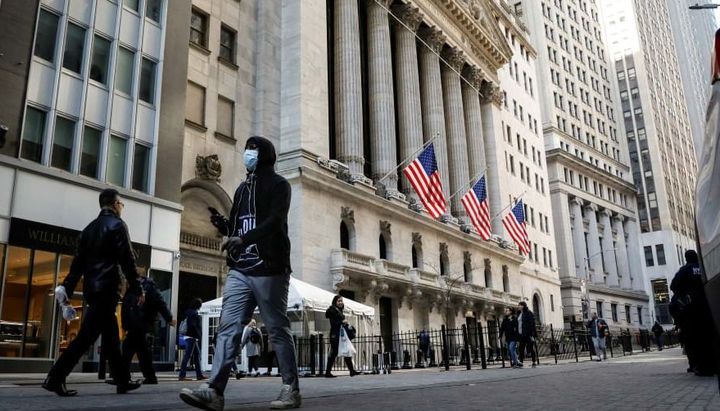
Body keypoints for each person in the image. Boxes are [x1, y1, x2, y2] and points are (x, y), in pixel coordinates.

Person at [180, 136, 300, 410]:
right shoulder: (242, 189)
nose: (248, 154)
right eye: (247, 149)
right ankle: (214, 390)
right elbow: (237, 227)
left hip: (269, 268)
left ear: (265, 154)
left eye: (253, 150)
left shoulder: (279, 185)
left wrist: (244, 239)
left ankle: (290, 388)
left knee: (277, 328)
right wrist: (225, 226)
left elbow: (275, 222)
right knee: (228, 327)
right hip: (240, 269)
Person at [43, 189, 144, 396]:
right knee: (86, 337)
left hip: (92, 290)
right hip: (107, 288)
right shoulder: (117, 225)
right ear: (115, 204)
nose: (122, 207)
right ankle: (55, 377)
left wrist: (67, 288)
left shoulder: (88, 229)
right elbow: (128, 260)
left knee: (111, 337)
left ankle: (122, 380)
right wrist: (137, 288)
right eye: (121, 203)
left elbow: (77, 266)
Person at [121, 268, 176, 384]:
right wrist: (125, 325)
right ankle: (149, 377)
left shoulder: (148, 286)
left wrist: (169, 318)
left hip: (141, 322)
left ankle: (123, 377)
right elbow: (127, 307)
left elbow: (160, 302)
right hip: (135, 324)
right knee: (142, 351)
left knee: (129, 349)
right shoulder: (132, 288)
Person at [670, 250, 716, 376]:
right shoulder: (705, 267)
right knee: (709, 336)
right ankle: (713, 364)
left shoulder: (685, 270)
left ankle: (701, 367)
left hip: (692, 308)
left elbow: (673, 286)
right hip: (708, 305)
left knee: (696, 338)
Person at [324, 295, 358, 377]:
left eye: (341, 301)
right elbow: (333, 324)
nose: (340, 302)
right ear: (335, 302)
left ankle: (351, 371)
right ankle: (328, 372)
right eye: (339, 301)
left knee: (345, 352)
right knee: (334, 353)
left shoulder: (339, 311)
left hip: (340, 335)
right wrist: (342, 322)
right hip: (335, 335)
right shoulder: (333, 311)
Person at [179, 298, 206, 381]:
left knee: (197, 355)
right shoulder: (193, 313)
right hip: (192, 337)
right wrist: (198, 335)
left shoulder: (188, 312)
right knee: (187, 356)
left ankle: (199, 375)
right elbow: (192, 325)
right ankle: (182, 375)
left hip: (190, 336)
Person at [517, 301, 537, 368]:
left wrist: (532, 334)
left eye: (519, 305)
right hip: (521, 334)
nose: (518, 306)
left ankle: (534, 361)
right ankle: (521, 362)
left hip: (528, 334)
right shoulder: (519, 313)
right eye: (518, 305)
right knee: (521, 348)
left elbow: (532, 323)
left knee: (531, 348)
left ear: (523, 306)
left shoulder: (529, 313)